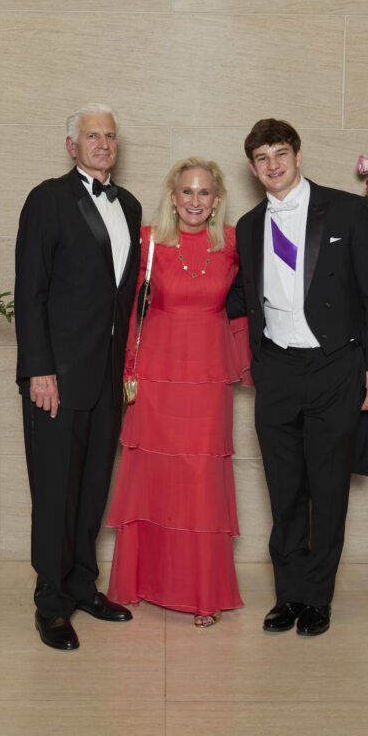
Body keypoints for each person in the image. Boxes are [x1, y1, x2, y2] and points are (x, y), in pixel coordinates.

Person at [226, 119, 368, 638]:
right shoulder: (250, 226)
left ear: (298, 156)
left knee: (327, 487)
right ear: (252, 168)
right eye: (262, 157)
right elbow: (239, 299)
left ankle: (318, 598)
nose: (272, 164)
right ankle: (289, 595)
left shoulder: (345, 209)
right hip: (276, 369)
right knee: (284, 489)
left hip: (335, 368)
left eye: (280, 153)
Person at [14, 104, 142, 651]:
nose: (103, 143)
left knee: (93, 486)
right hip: (57, 379)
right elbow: (30, 292)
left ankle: (84, 586)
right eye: (92, 135)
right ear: (72, 145)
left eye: (109, 136)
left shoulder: (131, 206)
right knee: (55, 488)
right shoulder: (47, 199)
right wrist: (39, 369)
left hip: (108, 377)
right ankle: (50, 602)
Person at [106, 157, 250, 627]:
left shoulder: (232, 244)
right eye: (186, 192)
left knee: (199, 480)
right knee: (152, 474)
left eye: (203, 193)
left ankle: (200, 592)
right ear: (173, 196)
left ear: (216, 200)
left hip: (207, 378)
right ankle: (142, 582)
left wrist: (250, 366)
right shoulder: (148, 241)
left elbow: (250, 306)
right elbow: (130, 312)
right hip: (156, 375)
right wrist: (127, 368)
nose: (194, 200)